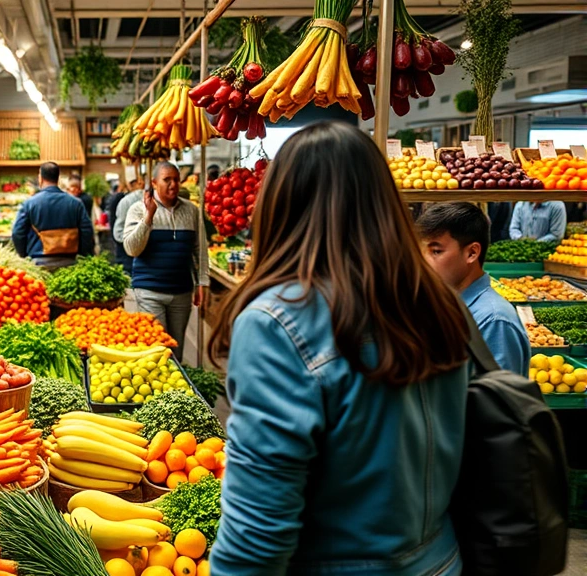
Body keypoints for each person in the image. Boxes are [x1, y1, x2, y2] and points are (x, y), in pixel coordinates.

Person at [207, 122, 471, 575]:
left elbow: (257, 536)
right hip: (441, 559)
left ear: (280, 204)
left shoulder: (278, 322)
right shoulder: (436, 302)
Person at [417, 202, 530, 374]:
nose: (423, 262)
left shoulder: (494, 321)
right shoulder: (447, 306)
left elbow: (496, 398)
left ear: (471, 253)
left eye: (436, 252)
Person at [123, 161, 208, 361]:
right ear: (153, 182)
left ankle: (177, 390)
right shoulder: (138, 209)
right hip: (149, 291)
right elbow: (132, 249)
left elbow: (200, 249)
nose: (173, 184)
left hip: (182, 292)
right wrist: (149, 216)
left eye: (176, 180)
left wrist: (202, 282)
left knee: (176, 348)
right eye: (167, 180)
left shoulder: (191, 211)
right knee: (157, 349)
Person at [11, 162, 93, 270]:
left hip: (38, 263)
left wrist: (24, 255)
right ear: (57, 178)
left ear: (40, 178)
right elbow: (87, 231)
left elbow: (17, 232)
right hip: (69, 264)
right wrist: (82, 254)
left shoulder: (29, 203)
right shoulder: (76, 203)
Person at [111, 184, 145, 276]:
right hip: (129, 252)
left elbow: (117, 232)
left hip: (126, 251)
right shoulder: (127, 201)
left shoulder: (125, 200)